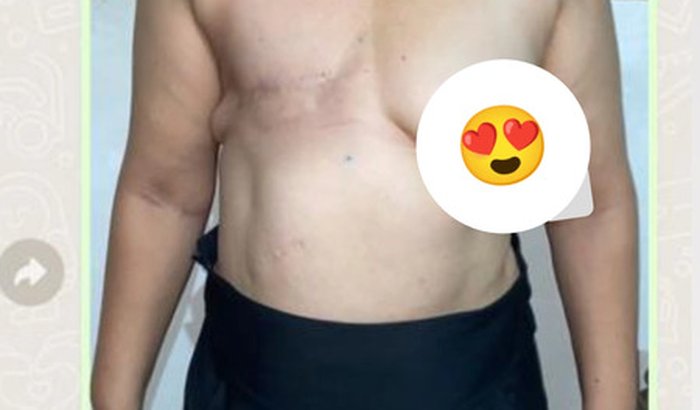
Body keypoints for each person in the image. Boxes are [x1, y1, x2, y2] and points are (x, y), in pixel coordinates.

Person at [91, 0, 638, 409]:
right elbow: (162, 195)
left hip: (472, 379)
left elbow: (589, 205)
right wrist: (113, 399)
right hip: (263, 377)